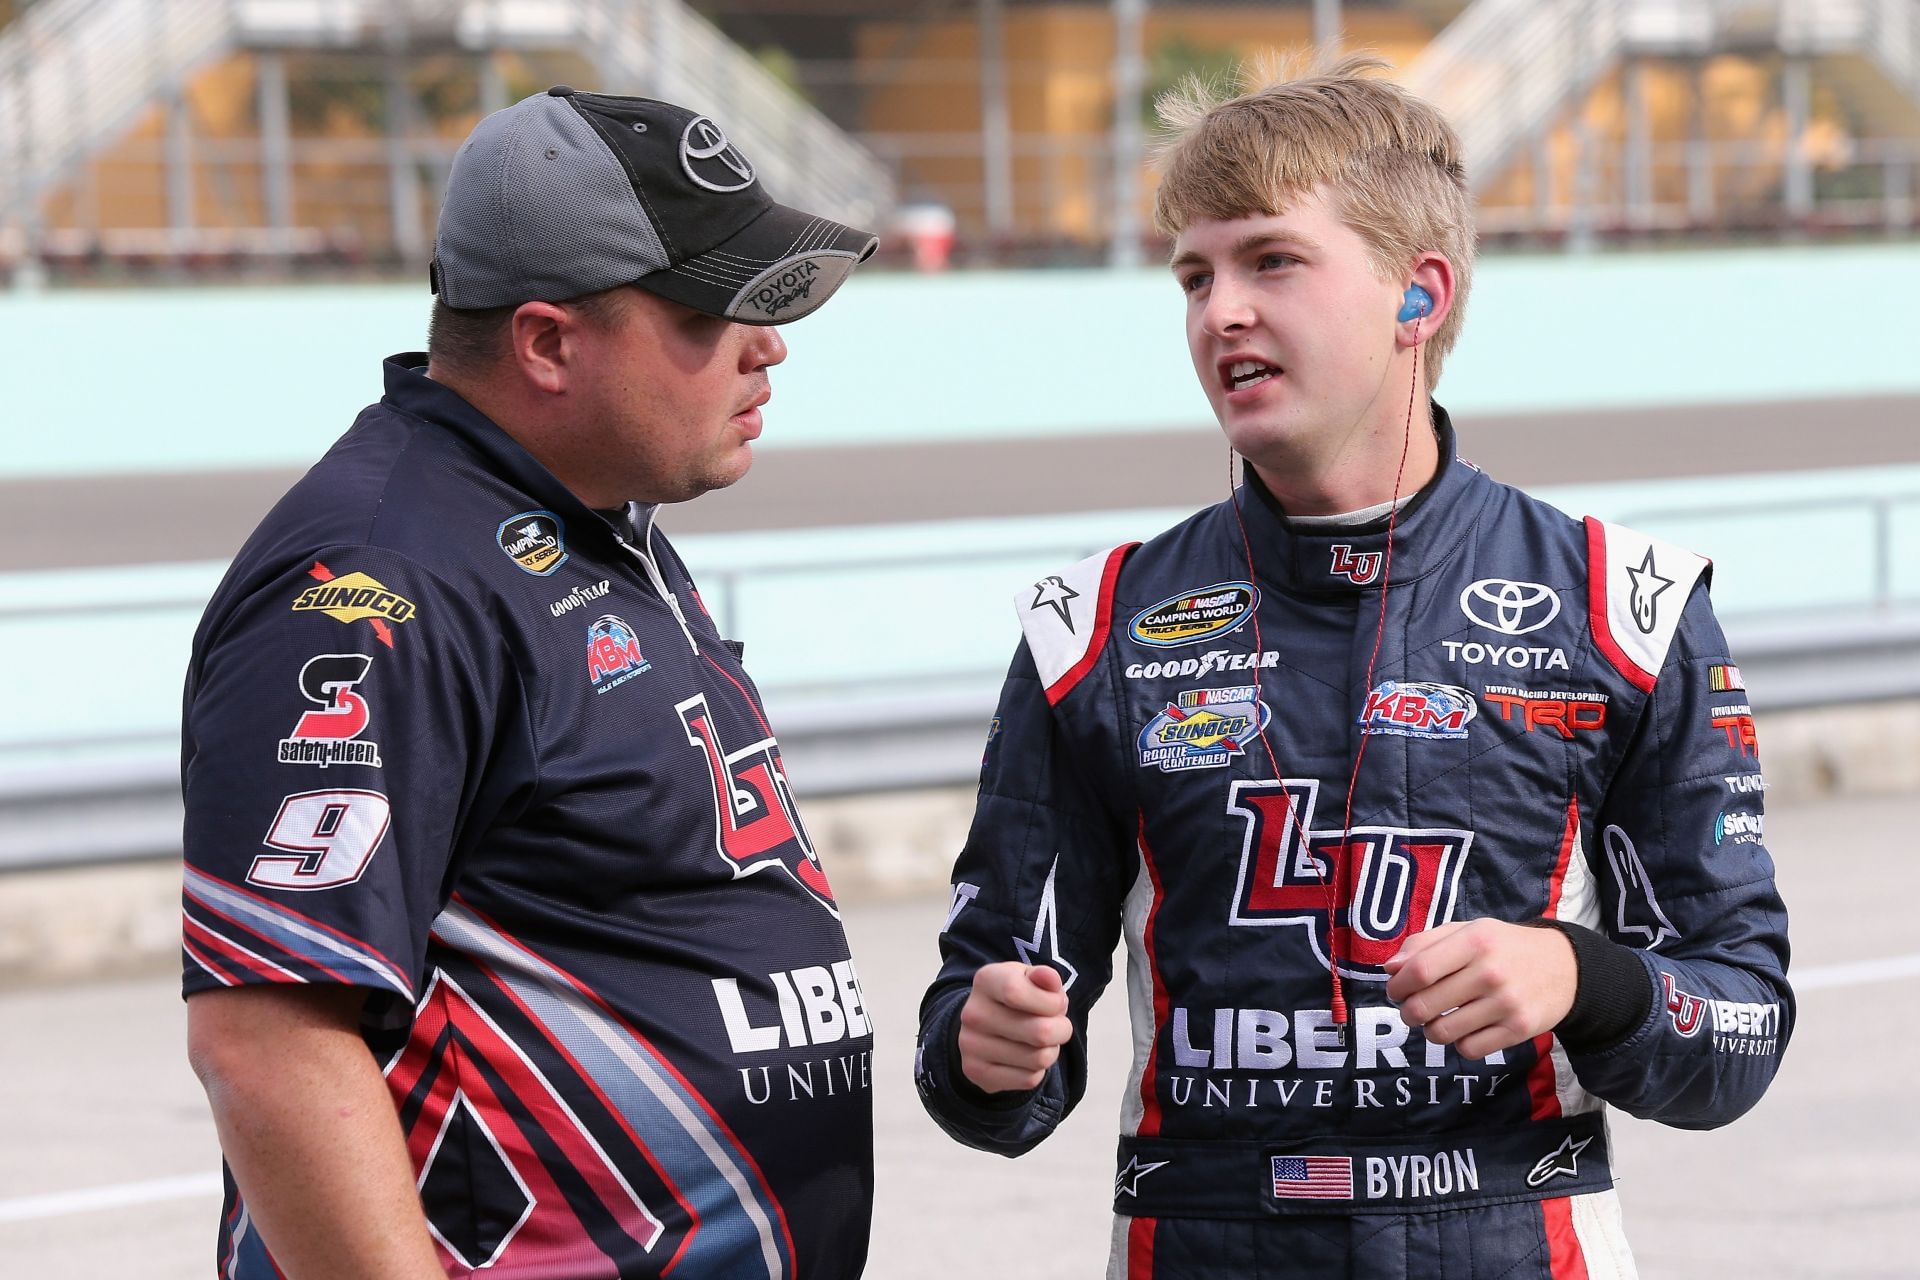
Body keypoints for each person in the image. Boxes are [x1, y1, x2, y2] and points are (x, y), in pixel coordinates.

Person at [915, 57, 1791, 1277]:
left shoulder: (1624, 606)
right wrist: (984, 1048)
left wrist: (1582, 977)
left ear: (1416, 297)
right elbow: (980, 1061)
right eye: (1194, 275)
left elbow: (1740, 1031)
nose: (1220, 311)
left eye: (1271, 261)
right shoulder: (1094, 625)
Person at [181, 87, 879, 1279]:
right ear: (549, 342)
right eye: (715, 310)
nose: (768, 345)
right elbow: (269, 1038)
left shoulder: (583, 521)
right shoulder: (381, 576)